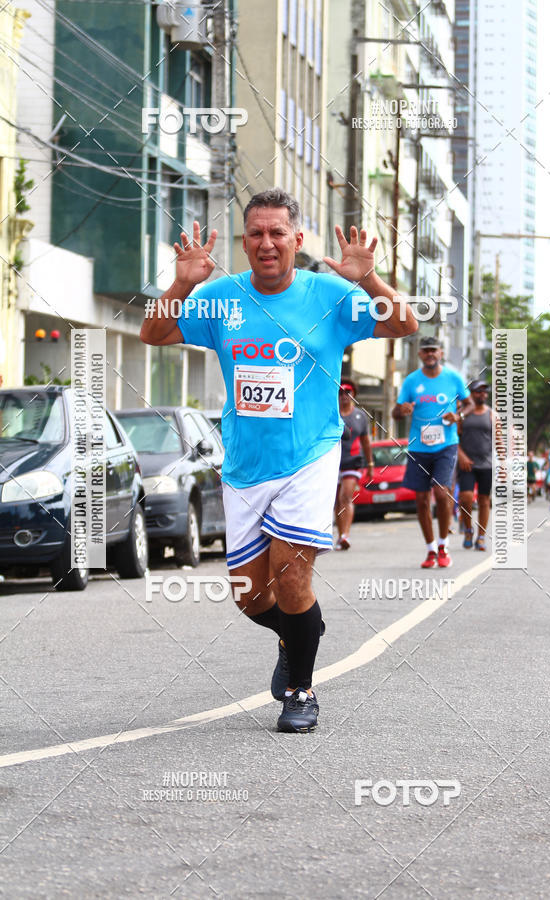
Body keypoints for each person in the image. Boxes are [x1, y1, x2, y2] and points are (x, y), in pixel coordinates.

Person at [140, 188, 418, 733]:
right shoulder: (221, 298)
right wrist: (181, 283)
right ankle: (300, 635)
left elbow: (404, 325)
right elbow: (154, 333)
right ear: (244, 242)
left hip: (310, 455)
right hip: (245, 463)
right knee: (250, 596)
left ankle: (300, 691)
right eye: (256, 234)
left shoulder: (331, 295)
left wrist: (368, 280)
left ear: (296, 239)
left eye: (277, 233)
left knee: (292, 574)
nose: (266, 243)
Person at [392, 336, 473, 569]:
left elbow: (467, 404)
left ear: (441, 353)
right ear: (419, 354)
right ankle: (430, 550)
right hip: (418, 446)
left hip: (446, 444)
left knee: (440, 492)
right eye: (425, 351)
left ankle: (443, 545)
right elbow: (396, 412)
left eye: (434, 351)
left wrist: (459, 416)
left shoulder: (453, 378)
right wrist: (402, 410)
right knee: (420, 500)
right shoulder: (411, 381)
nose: (430, 354)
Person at [334, 380, 374, 550]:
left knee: (346, 497)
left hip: (353, 462)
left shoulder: (360, 416)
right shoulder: (332, 413)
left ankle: (345, 535)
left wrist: (370, 463)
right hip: (333, 462)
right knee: (336, 500)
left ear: (354, 394)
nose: (344, 396)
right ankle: (340, 534)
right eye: (341, 392)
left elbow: (366, 441)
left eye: (348, 392)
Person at [457, 380, 493, 551]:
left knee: (485, 500)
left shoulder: (492, 415)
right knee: (465, 497)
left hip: (486, 464)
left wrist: (502, 466)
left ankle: (481, 537)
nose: (482, 395)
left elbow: (499, 441)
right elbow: (453, 438)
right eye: (478, 391)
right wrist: (461, 456)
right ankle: (468, 530)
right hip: (467, 464)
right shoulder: (462, 414)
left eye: (485, 392)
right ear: (470, 394)